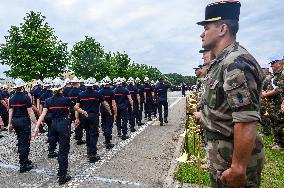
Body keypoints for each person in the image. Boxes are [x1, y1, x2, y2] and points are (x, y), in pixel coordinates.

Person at [196, 1, 265, 187]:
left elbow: (246, 119)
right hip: (222, 157)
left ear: (222, 29)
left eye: (207, 27)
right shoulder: (222, 61)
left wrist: (238, 168)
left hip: (231, 162)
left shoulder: (235, 62)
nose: (202, 33)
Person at [34, 78, 88, 185]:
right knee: (63, 150)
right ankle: (62, 175)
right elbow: (76, 108)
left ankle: (60, 169)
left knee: (57, 146)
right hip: (63, 125)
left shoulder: (49, 100)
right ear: (62, 88)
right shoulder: (66, 99)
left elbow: (43, 114)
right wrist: (84, 112)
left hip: (53, 125)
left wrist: (37, 126)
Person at [76, 77, 112, 162]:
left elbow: (77, 108)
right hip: (93, 116)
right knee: (94, 134)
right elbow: (105, 104)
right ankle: (92, 154)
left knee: (88, 133)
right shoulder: (97, 94)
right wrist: (109, 111)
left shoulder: (81, 95)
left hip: (84, 116)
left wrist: (77, 118)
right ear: (93, 84)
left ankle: (89, 150)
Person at [8, 78, 37, 173]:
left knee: (20, 140)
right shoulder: (25, 97)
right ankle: (23, 164)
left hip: (15, 121)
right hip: (24, 121)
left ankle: (24, 159)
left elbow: (10, 112)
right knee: (25, 142)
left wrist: (9, 124)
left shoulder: (11, 98)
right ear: (22, 86)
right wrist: (36, 123)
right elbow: (30, 112)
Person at [262, 55, 284, 149]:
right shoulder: (276, 75)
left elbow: (279, 89)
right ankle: (277, 141)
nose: (272, 67)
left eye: (273, 64)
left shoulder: (282, 74)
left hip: (279, 102)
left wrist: (266, 94)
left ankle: (281, 143)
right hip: (274, 103)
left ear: (279, 63)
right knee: (275, 121)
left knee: (280, 122)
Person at [99, 76, 117, 148]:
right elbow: (113, 104)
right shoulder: (112, 92)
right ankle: (108, 141)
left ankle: (106, 136)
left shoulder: (100, 92)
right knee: (109, 126)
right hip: (110, 111)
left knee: (104, 124)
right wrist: (115, 113)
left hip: (102, 110)